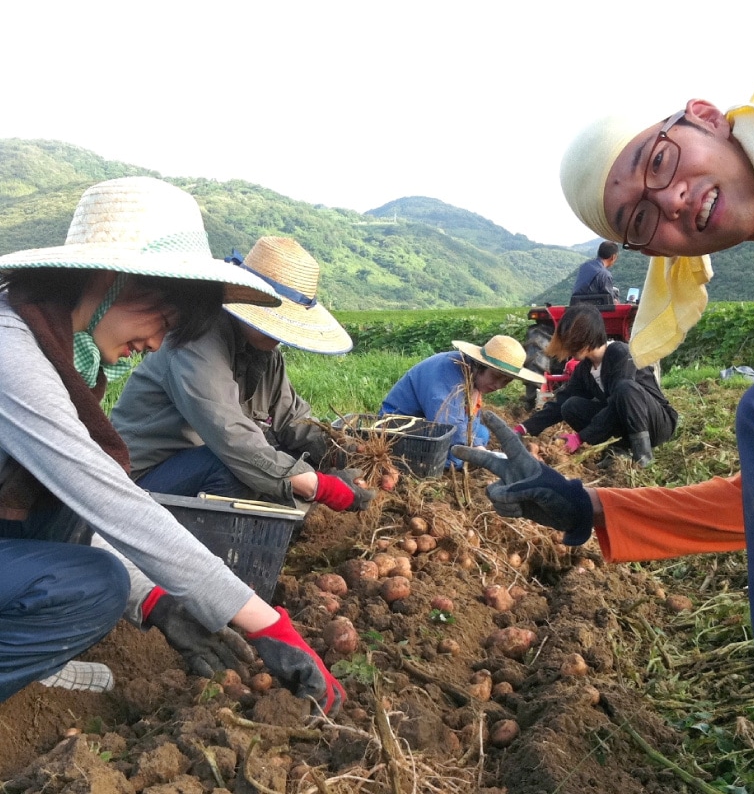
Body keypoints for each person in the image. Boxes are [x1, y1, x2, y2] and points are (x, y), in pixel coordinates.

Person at [454, 54, 754, 791]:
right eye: (645, 220)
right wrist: (592, 505)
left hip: (649, 422)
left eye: (662, 159)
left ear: (703, 114)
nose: (673, 199)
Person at [0, 176, 345, 714]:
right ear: (115, 280)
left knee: (75, 540)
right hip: (138, 481)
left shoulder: (67, 355)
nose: (158, 344)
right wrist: (266, 623)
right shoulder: (11, 354)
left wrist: (159, 600)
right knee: (94, 584)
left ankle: (34, 652)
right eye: (164, 320)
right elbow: (107, 497)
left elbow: (76, 508)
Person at [110, 235, 374, 512]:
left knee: (289, 456)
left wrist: (345, 450)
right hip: (141, 480)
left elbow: (292, 422)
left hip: (201, 461)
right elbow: (231, 437)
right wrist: (321, 487)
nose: (278, 336)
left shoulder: (266, 356)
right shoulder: (195, 343)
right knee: (240, 468)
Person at [515, 304, 677, 466]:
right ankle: (623, 446)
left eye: (571, 342)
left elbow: (618, 402)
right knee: (570, 406)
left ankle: (643, 457)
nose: (568, 350)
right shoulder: (585, 369)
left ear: (587, 336)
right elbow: (560, 403)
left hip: (657, 424)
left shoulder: (621, 354)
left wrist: (581, 437)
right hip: (625, 420)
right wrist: (524, 428)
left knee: (624, 389)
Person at [379, 335, 544, 469]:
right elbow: (447, 423)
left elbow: (469, 418)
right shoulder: (446, 373)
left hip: (429, 423)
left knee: (481, 435)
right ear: (480, 366)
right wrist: (481, 454)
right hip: (401, 425)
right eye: (496, 377)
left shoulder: (471, 374)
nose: (498, 386)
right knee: (456, 457)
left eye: (506, 382)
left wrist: (479, 447)